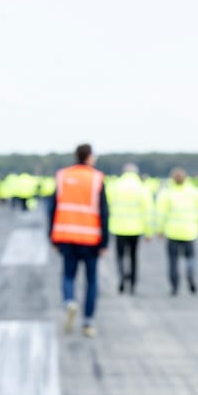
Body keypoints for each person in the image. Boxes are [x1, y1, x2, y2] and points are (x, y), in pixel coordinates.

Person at [49, 143, 109, 337]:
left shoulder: (62, 176)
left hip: (66, 235)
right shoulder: (97, 178)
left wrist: (52, 235)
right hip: (90, 237)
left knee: (68, 275)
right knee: (91, 281)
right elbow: (104, 212)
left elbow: (52, 208)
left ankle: (69, 301)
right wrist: (105, 241)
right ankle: (88, 322)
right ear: (89, 157)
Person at [156, 167, 198, 296]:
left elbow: (160, 214)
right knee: (190, 258)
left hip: (172, 232)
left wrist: (159, 230)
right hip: (189, 231)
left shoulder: (167, 193)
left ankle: (174, 285)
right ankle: (190, 276)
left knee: (173, 261)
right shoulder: (195, 192)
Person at [108, 163, 153, 294]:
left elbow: (108, 206)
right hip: (136, 228)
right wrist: (148, 231)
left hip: (118, 227)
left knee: (120, 256)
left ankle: (122, 276)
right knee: (133, 257)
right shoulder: (142, 187)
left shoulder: (115, 185)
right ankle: (133, 284)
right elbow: (148, 211)